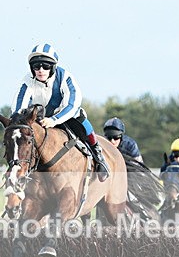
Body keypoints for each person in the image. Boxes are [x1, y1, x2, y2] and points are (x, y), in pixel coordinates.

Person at [13, 43, 109, 181]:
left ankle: (97, 154)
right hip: (41, 117)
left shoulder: (65, 77)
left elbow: (73, 104)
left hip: (66, 115)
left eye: (45, 66)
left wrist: (54, 120)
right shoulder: (27, 80)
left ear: (52, 67)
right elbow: (19, 105)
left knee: (84, 122)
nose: (40, 70)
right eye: (36, 66)